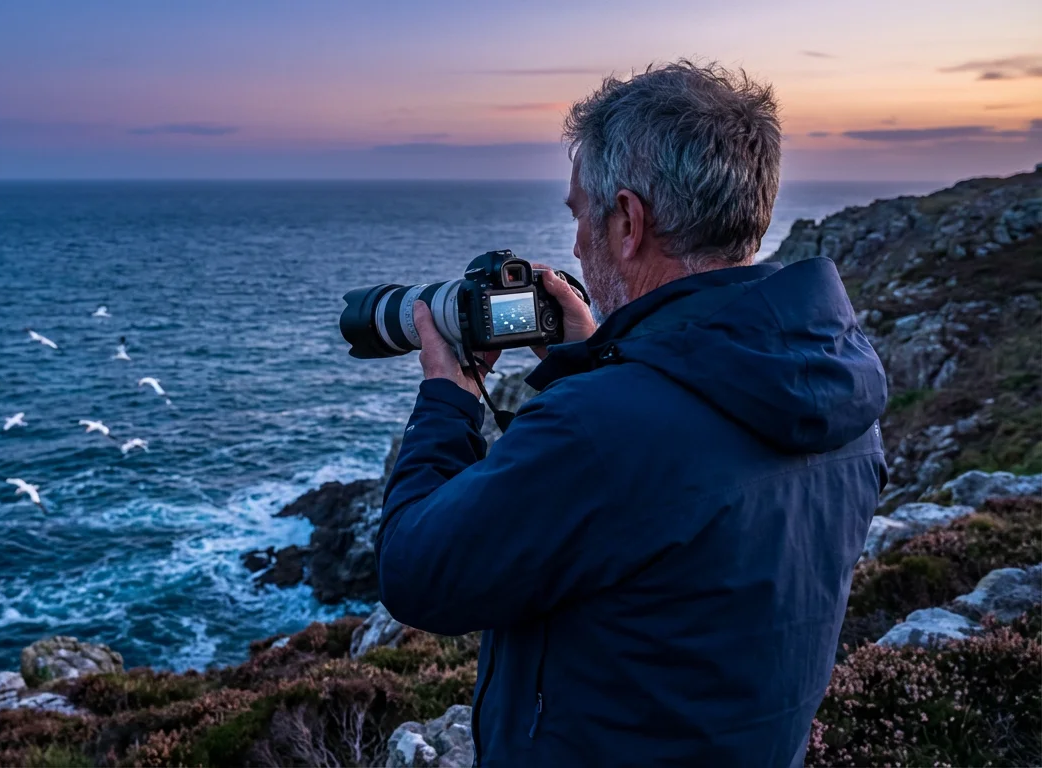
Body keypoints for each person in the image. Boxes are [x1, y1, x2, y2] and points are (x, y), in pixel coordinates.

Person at [376, 60, 888, 767]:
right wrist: (603, 354)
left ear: (627, 220)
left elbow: (415, 572)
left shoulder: (604, 429)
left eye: (581, 214)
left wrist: (448, 398)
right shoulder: (842, 394)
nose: (578, 243)